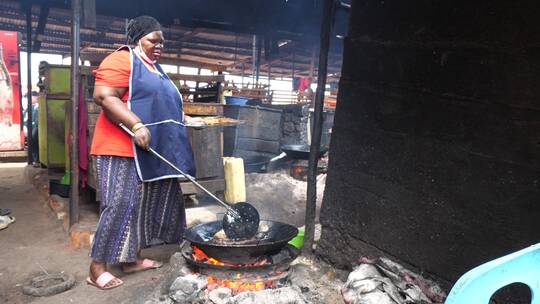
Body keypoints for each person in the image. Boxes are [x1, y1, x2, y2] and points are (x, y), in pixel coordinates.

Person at [87, 15, 201, 290]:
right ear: (138, 39)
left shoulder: (155, 68)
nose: (159, 45)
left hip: (148, 150)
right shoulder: (121, 60)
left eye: (162, 42)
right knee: (120, 203)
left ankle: (130, 260)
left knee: (140, 207)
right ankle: (96, 268)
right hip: (119, 147)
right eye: (153, 40)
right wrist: (136, 124)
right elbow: (104, 96)